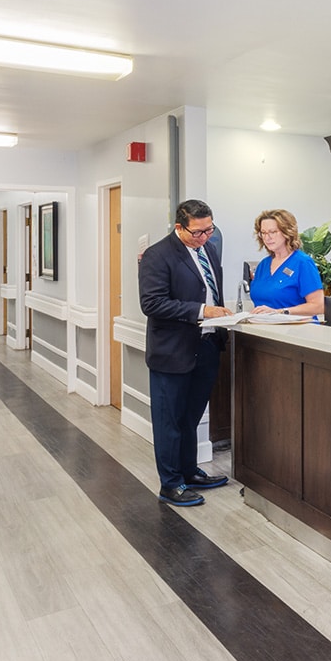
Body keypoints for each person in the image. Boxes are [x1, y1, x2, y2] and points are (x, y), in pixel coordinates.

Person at [138, 199, 233, 507]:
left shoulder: (210, 250)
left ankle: (189, 472)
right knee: (170, 421)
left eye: (210, 229)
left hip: (206, 347)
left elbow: (210, 290)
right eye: (198, 232)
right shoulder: (157, 256)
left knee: (191, 417)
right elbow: (152, 304)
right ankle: (170, 484)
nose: (205, 237)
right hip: (172, 351)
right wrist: (203, 310)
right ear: (179, 227)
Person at [248, 209, 324, 316]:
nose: (267, 237)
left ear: (287, 232)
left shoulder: (302, 263)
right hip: (265, 329)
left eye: (273, 232)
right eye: (263, 233)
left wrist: (280, 312)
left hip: (296, 330)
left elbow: (318, 306)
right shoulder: (263, 265)